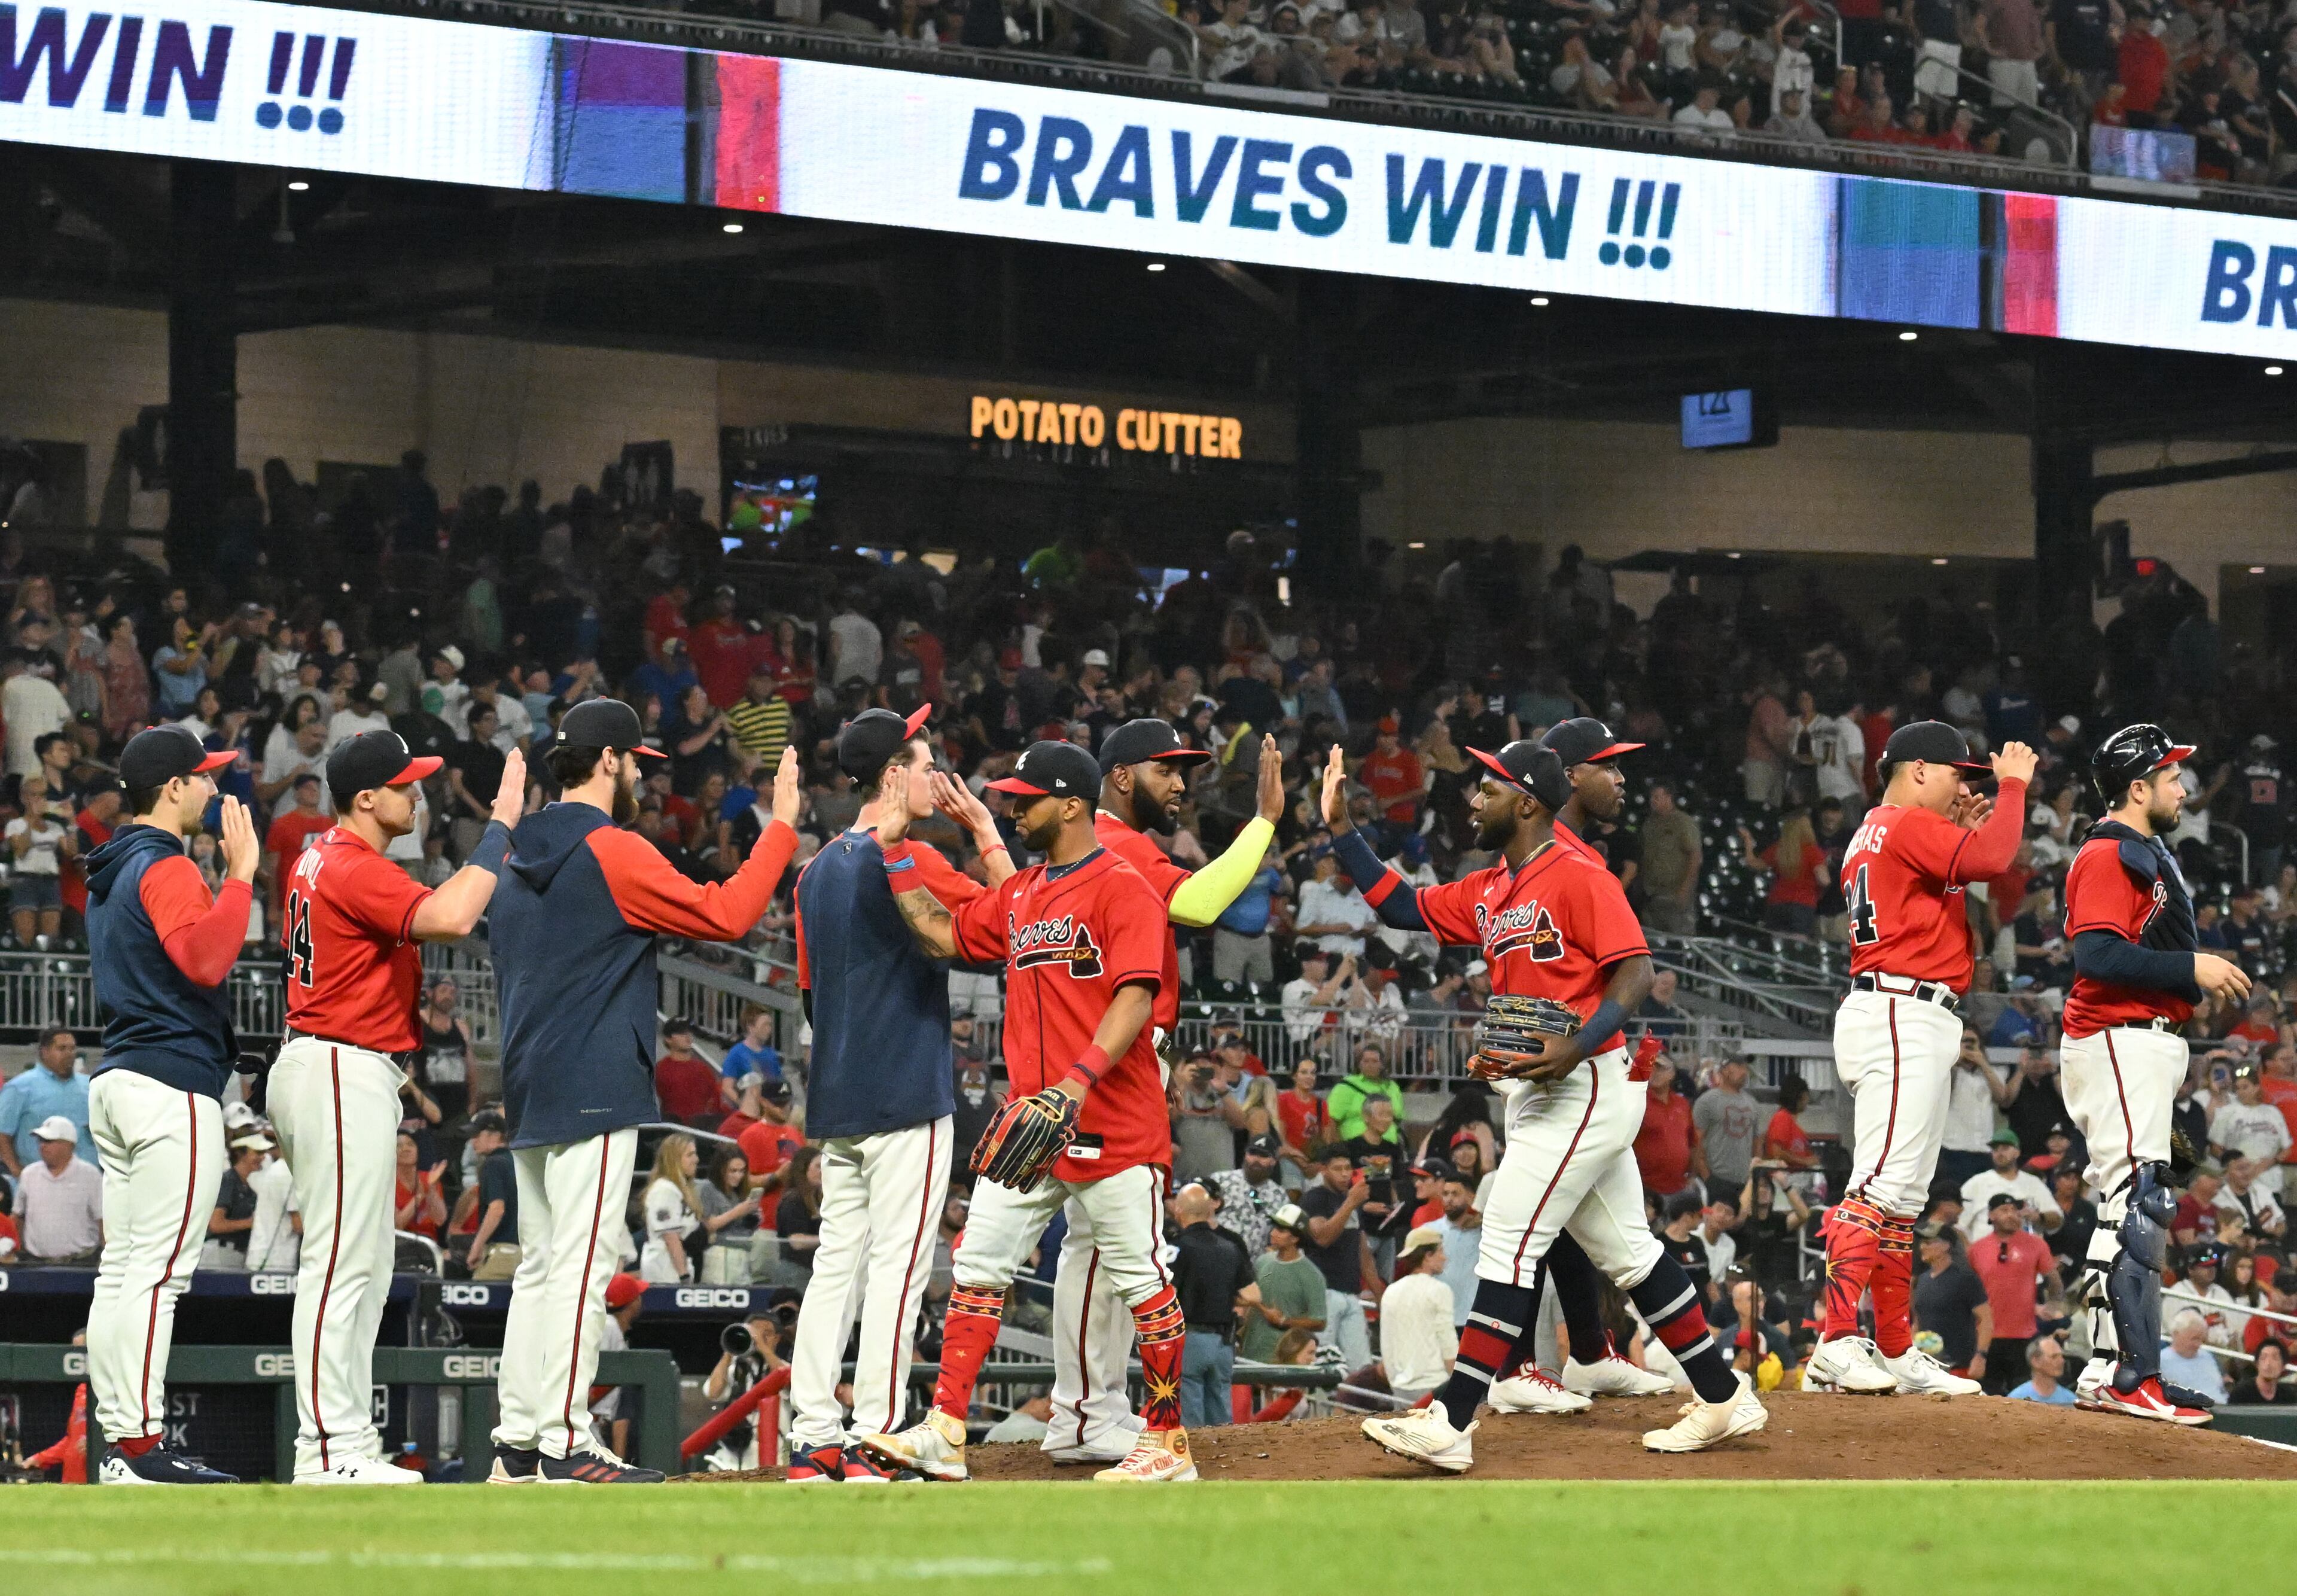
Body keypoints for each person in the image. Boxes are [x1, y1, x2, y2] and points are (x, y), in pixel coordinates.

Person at [1326, 739, 1762, 1469]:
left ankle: (1454, 1420)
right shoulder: (1491, 885)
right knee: (1629, 1252)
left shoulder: (1579, 873)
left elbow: (1635, 972)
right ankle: (1722, 1396)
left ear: (1526, 801)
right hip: (1541, 1090)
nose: (1472, 800)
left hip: (1582, 1083)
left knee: (1507, 1237)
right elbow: (1402, 905)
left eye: (1487, 790)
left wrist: (1576, 1042)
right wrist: (1342, 830)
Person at [857, 739, 1197, 1484]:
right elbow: (942, 932)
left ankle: (1168, 1440)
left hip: (1112, 1120)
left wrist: (1074, 1083)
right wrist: (894, 853)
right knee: (978, 1267)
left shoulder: (1125, 886)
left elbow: (1136, 995)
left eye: (1025, 798)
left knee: (1142, 1279)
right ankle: (945, 1430)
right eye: (1009, 798)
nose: (1013, 809)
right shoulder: (1023, 893)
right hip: (1031, 1125)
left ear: (1071, 803)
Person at [485, 699, 801, 1486]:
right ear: (607, 762)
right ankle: (563, 1442)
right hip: (592, 1078)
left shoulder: (511, 848)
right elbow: (727, 913)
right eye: (635, 763)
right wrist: (783, 829)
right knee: (582, 1269)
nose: (642, 779)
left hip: (528, 1080)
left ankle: (518, 1440)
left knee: (539, 1267)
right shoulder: (613, 848)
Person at [269, 729, 523, 1484]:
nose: (419, 795)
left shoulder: (323, 854)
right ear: (367, 797)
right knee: (343, 1264)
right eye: (406, 785)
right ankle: (326, 1447)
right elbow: (451, 916)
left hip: (335, 1060)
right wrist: (501, 824)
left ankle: (342, 1443)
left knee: (364, 1264)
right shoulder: (349, 860)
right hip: (339, 1062)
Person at [1044, 719, 1287, 1467]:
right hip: (1110, 1069)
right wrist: (1265, 822)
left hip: (1115, 1057)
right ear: (1119, 777)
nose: (1181, 782)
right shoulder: (1115, 842)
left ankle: (1085, 1410)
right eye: (1166, 769)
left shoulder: (1113, 843)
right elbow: (1201, 904)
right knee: (1110, 1244)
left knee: (1095, 1245)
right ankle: (1087, 1411)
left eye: (1185, 769)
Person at [786, 706, 1015, 1483]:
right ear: (892, 776)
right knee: (899, 1269)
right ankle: (875, 1432)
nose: (935, 776)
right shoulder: (906, 858)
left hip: (839, 1096)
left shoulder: (814, 870)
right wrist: (987, 833)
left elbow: (814, 1000)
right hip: (905, 1095)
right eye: (923, 763)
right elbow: (1016, 922)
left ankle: (812, 1433)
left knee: (836, 1265)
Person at [1808, 723, 2032, 1398]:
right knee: (1877, 1186)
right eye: (1959, 773)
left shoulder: (1881, 829)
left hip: (1908, 1007)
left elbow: (1945, 901)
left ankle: (1899, 1348)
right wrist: (2015, 782)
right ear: (1918, 769)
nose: (1969, 786)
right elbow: (1996, 858)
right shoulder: (1903, 823)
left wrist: (1956, 849)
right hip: (1901, 1011)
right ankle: (1838, 1339)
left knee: (1902, 1199)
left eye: (1978, 777)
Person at [82, 724, 255, 1483]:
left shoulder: (115, 866)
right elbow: (207, 960)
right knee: (155, 1275)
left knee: (122, 1272)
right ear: (174, 786)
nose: (216, 790)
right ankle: (143, 1447)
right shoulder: (166, 862)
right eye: (205, 778)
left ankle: (123, 1442)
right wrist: (243, 875)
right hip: (168, 1084)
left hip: (121, 1077)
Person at [2058, 724, 2245, 1426]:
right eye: (2169, 775)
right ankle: (2129, 1374)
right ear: (2137, 788)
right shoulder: (2109, 851)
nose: (2182, 785)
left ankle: (2116, 1370)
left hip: (2138, 1040)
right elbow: (2098, 957)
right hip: (2117, 1037)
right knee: (2137, 1203)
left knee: (2131, 1203)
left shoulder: (2141, 848)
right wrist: (2189, 969)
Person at [1169, 1182, 1257, 1429]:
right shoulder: (1230, 1247)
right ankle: (1225, 1464)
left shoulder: (1178, 1248)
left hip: (1191, 1339)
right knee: (1221, 1413)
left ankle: (1195, 1464)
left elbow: (1168, 1293)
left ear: (1178, 1210)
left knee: (1192, 1417)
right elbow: (1253, 1296)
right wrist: (1223, 1295)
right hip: (1224, 1343)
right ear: (1209, 1211)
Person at [1967, 1193, 2063, 1395]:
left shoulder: (2036, 1244)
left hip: (2024, 1336)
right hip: (1986, 1337)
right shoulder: (1977, 1249)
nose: (2011, 1215)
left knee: (2023, 1396)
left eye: (2014, 1210)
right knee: (1986, 1394)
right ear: (1991, 1215)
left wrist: (2053, 1307)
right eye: (2004, 1210)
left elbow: (2054, 1280)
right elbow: (1968, 1292)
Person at [1380, 1226, 1459, 1405]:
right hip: (1435, 1384)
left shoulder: (1391, 1291)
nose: (1444, 1257)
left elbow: (1387, 1343)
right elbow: (1447, 1341)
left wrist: (1394, 1380)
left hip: (1401, 1386)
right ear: (1427, 1255)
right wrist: (1457, 1385)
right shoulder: (1440, 1290)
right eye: (1440, 1251)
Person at [1240, 1204, 1327, 1364]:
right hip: (1250, 1352)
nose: (1273, 1233)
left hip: (1281, 1359)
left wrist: (1284, 1321)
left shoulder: (1312, 1275)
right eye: (1275, 1228)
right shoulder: (1262, 1261)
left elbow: (1320, 1321)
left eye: (1281, 1230)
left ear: (1295, 1238)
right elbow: (1251, 1305)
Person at [0, 1026, 92, 1176]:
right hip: (39, 1180)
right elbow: (3, 1135)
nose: (69, 1054)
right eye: (62, 1049)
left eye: (72, 1049)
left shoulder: (90, 1086)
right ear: (45, 1052)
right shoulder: (20, 1087)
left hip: (85, 1180)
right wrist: (18, 1172)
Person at [1909, 1223, 1991, 1381]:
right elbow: (1918, 1321)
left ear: (1946, 1245)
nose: (1922, 1247)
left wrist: (1981, 1356)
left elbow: (1986, 1319)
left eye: (1929, 1242)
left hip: (1958, 1366)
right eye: (1922, 1242)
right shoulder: (1922, 1280)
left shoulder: (1965, 1279)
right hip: (1927, 1367)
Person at [18, 1114, 102, 1263]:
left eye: (49, 1141)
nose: (42, 1146)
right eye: (41, 1141)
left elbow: (103, 1221)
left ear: (68, 1145)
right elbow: (18, 1217)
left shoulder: (90, 1176)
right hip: (35, 1264)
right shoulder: (29, 1175)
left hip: (81, 1263)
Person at [1957, 1130, 2062, 1238]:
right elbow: (1958, 1226)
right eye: (1996, 1150)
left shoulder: (2033, 1183)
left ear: (2017, 1152)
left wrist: (2039, 1217)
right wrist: (1971, 1251)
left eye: (2005, 1149)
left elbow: (2057, 1218)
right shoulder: (1976, 1183)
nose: (2000, 1153)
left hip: (2025, 1251)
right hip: (1987, 1251)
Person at [638, 1134, 705, 1284]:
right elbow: (671, 1236)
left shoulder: (678, 1188)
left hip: (673, 1268)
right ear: (674, 1160)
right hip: (666, 1271)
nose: (697, 1160)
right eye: (690, 1155)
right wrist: (683, 1275)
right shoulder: (664, 1189)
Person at [2156, 1309, 2226, 1406]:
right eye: (2194, 1339)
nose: (2198, 1345)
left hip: (2221, 1407)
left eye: (2202, 1340)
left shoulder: (2207, 1356)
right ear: (2176, 1334)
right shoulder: (2161, 1362)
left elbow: (2220, 1388)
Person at [2006, 1335, 2076, 1404]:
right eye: (2054, 1357)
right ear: (2035, 1361)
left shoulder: (2070, 1401)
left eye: (2062, 1356)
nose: (2062, 1361)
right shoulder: (2016, 1399)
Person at [2228, 1338, 2293, 1404]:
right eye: (2263, 1358)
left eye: (2275, 1358)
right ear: (2257, 1364)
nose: (2268, 1364)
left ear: (2283, 1366)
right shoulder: (2241, 1394)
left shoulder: (2289, 1396)